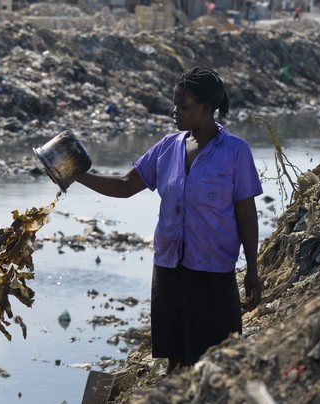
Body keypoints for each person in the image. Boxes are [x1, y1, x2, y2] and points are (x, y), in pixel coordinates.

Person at [76, 66, 264, 374]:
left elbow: (246, 213)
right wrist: (77, 176)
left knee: (216, 361)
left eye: (183, 106)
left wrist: (252, 271)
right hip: (168, 268)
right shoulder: (167, 147)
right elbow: (125, 186)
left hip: (213, 272)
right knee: (175, 359)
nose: (174, 111)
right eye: (175, 104)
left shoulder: (235, 151)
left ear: (205, 109)